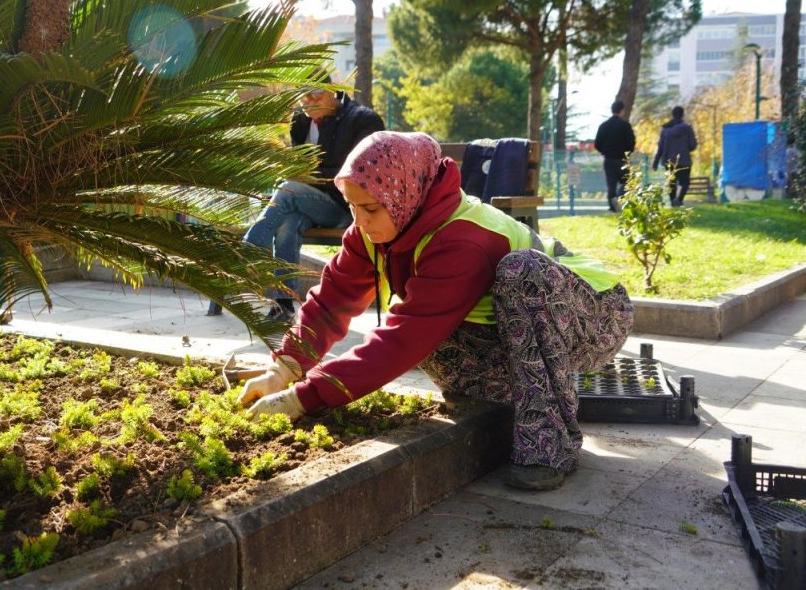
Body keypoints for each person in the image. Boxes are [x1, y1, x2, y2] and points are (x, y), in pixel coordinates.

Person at [238, 131, 634, 491]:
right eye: (353, 208)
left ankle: (549, 445)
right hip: (527, 324)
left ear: (403, 193)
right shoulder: (376, 227)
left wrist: (303, 398)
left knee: (521, 273)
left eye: (371, 209)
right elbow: (331, 301)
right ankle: (517, 404)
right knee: (435, 338)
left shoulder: (464, 238)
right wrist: (284, 368)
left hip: (594, 314)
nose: (360, 222)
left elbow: (400, 342)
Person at [242, 77, 384, 322]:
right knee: (288, 225)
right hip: (305, 203)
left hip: (344, 206)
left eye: (316, 96)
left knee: (287, 190)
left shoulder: (363, 120)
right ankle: (283, 304)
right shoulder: (300, 122)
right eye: (304, 97)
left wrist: (308, 175)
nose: (309, 103)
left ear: (332, 92)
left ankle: (248, 250)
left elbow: (359, 174)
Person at [594, 100, 636, 212]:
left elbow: (597, 143)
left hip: (609, 159)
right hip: (622, 159)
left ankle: (613, 207)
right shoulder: (625, 126)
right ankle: (619, 198)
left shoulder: (603, 126)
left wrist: (605, 151)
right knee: (628, 182)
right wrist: (628, 151)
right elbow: (631, 142)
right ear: (622, 110)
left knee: (611, 185)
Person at [652, 106, 698, 207]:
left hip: (669, 161)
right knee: (685, 182)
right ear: (682, 114)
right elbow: (693, 145)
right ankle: (679, 199)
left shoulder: (665, 129)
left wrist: (655, 161)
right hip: (684, 160)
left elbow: (660, 147)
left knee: (671, 183)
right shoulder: (687, 128)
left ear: (672, 115)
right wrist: (685, 148)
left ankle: (673, 201)